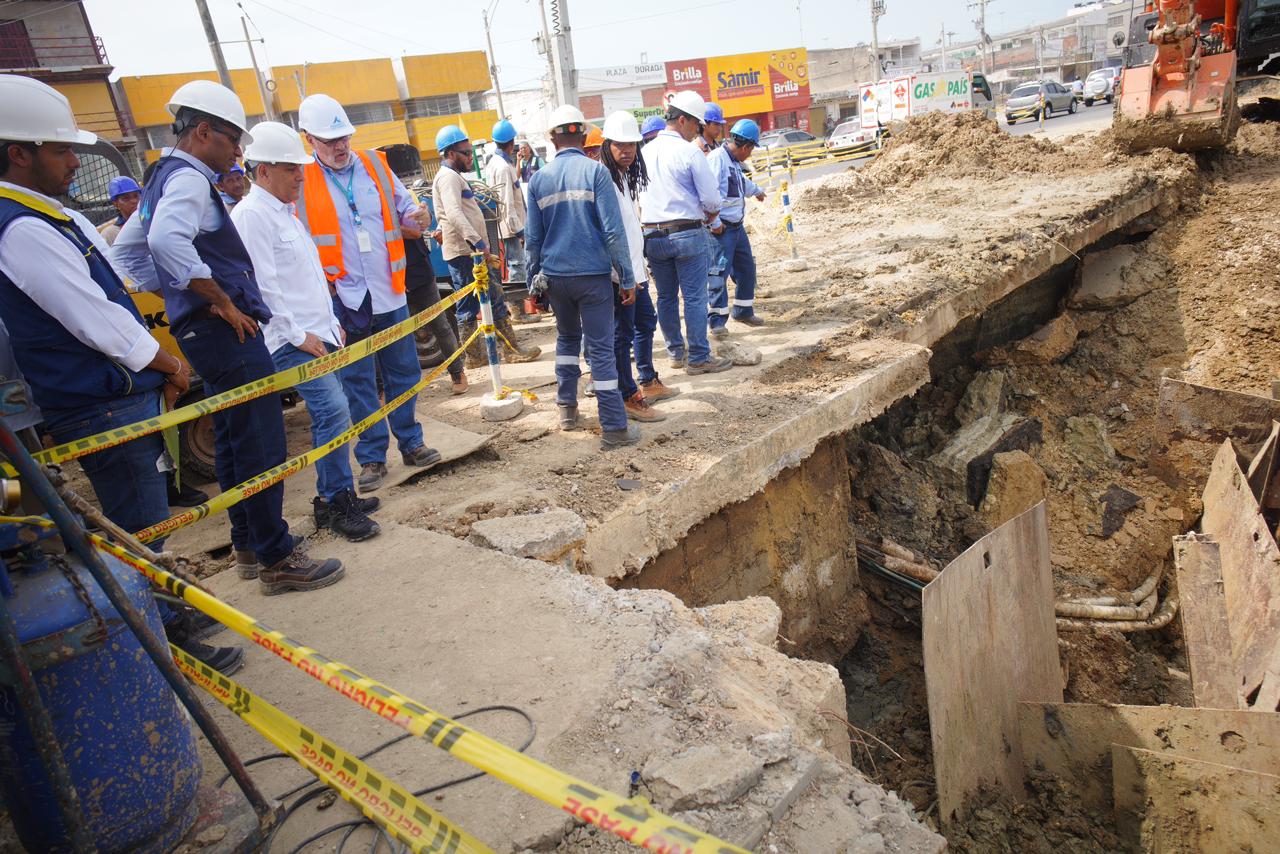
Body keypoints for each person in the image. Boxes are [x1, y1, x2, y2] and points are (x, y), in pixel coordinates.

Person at [0, 74, 245, 673]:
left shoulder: (44, 216)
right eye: (59, 151)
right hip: (98, 398)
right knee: (136, 528)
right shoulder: (22, 228)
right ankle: (167, 641)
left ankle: (167, 610)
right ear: (17, 154)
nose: (70, 163)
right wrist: (163, 361)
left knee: (148, 520)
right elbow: (90, 318)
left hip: (114, 392)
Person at [135, 79, 343, 594]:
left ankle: (248, 545)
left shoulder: (158, 177)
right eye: (232, 140)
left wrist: (180, 298)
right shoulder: (188, 179)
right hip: (228, 331)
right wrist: (218, 300)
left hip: (205, 334)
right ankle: (276, 557)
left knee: (232, 439)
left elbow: (134, 259)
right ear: (203, 131)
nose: (236, 152)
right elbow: (163, 242)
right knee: (261, 443)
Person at [231, 121, 381, 542]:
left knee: (336, 412)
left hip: (316, 333)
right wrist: (298, 335)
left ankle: (335, 495)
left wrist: (330, 324)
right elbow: (262, 288)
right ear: (263, 171)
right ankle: (336, 502)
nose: (301, 175)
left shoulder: (284, 213)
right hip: (290, 341)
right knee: (333, 410)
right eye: (290, 169)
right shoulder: (252, 216)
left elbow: (308, 277)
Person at [295, 93, 442, 494]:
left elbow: (406, 211)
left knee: (405, 372)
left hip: (389, 292)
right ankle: (373, 457)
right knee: (357, 380)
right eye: (330, 140)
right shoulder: (300, 180)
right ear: (309, 139)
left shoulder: (376, 165)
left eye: (344, 137)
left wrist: (418, 215)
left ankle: (411, 442)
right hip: (344, 298)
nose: (340, 146)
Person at [526, 105, 639, 449]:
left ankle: (567, 409)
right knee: (602, 350)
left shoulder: (538, 179)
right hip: (593, 279)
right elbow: (613, 232)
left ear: (552, 138)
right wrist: (628, 277)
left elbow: (533, 240)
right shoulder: (596, 173)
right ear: (582, 134)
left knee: (567, 340)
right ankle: (615, 428)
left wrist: (534, 283)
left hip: (556, 278)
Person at [638, 90, 732, 374]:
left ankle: (676, 353)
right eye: (695, 125)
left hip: (652, 234)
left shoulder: (644, 151)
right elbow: (712, 200)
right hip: (687, 232)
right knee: (694, 297)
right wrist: (712, 215)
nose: (697, 131)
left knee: (665, 297)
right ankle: (699, 357)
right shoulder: (689, 151)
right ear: (682, 121)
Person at [431, 124, 541, 368]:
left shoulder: (451, 177)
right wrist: (478, 243)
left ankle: (483, 355)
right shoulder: (449, 178)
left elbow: (446, 215)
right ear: (450, 153)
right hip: (467, 253)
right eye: (466, 153)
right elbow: (454, 213)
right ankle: (487, 354)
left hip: (468, 251)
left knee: (489, 298)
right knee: (475, 304)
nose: (471, 157)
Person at [600, 111, 672, 423]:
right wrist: (623, 277)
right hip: (620, 275)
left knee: (645, 320)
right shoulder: (604, 179)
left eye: (632, 145)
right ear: (608, 145)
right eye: (620, 145)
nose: (627, 150)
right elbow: (610, 234)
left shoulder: (625, 177)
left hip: (634, 270)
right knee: (622, 335)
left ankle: (646, 379)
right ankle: (628, 394)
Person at [707, 119, 767, 335]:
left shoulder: (732, 161)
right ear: (746, 147)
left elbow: (740, 182)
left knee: (746, 268)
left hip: (737, 228)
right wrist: (714, 223)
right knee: (718, 274)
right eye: (751, 150)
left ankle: (743, 310)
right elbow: (709, 194)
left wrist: (757, 191)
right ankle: (716, 322)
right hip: (721, 229)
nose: (750, 155)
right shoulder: (717, 160)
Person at [481, 119, 527, 285]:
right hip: (511, 227)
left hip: (509, 225)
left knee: (517, 265)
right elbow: (507, 203)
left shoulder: (496, 163)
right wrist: (519, 231)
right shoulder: (502, 167)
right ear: (512, 142)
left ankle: (517, 307)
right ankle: (517, 308)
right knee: (517, 266)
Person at [98, 175, 140, 244]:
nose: (134, 201)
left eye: (136, 196)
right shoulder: (111, 233)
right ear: (116, 204)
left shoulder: (150, 221)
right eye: (126, 198)